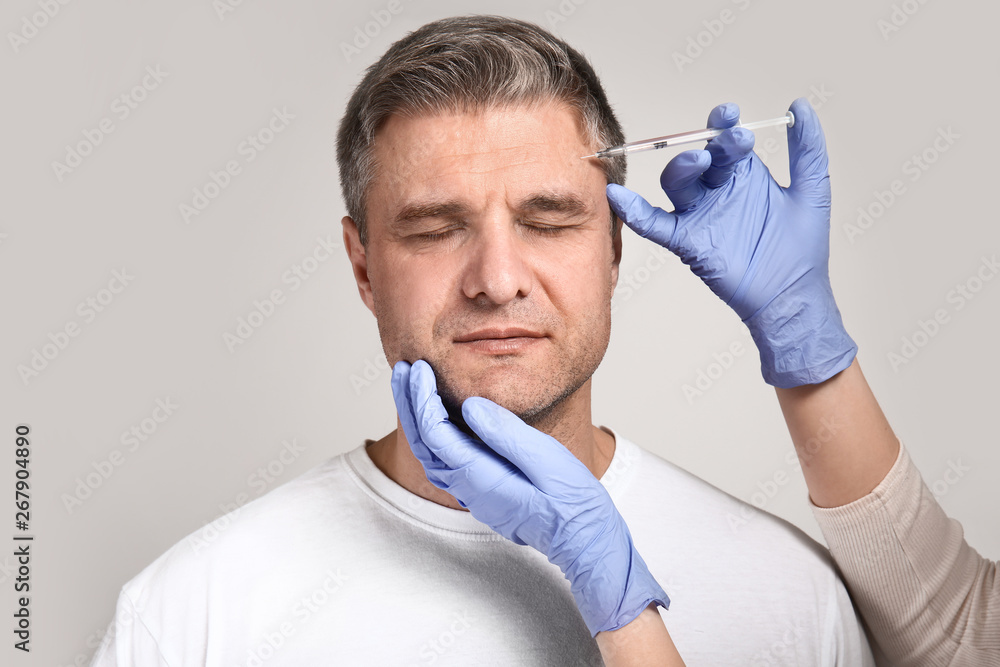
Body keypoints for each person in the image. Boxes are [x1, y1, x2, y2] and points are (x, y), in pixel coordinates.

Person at [89, 15, 874, 666]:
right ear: (363, 267)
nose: (497, 279)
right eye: (435, 229)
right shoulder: (189, 615)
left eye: (549, 220)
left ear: (616, 248)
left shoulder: (790, 598)